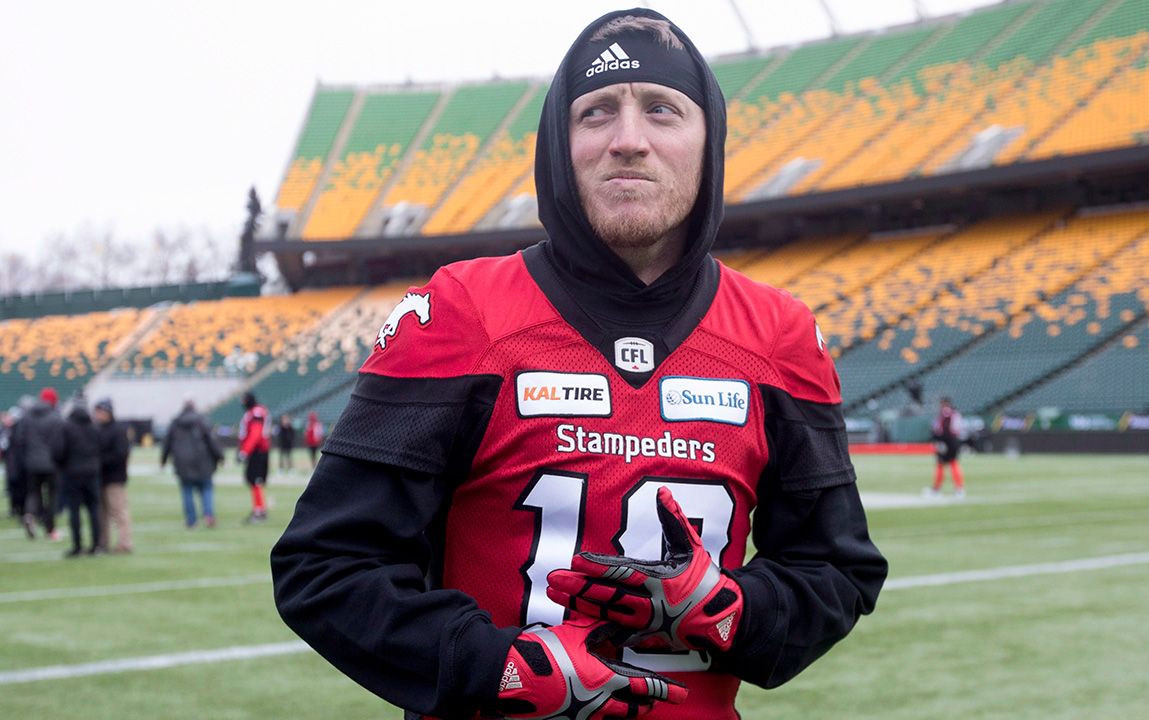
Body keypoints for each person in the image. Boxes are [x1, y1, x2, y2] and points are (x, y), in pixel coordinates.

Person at [272, 10, 887, 720]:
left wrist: (733, 612)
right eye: (596, 112)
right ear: (558, 147)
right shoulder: (460, 311)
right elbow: (327, 566)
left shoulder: (779, 334)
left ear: (709, 142)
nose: (628, 139)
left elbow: (837, 570)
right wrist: (497, 668)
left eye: (661, 109)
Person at [160, 398, 223, 528]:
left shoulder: (176, 422)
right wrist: (220, 456)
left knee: (187, 490)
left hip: (183, 462)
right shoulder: (202, 421)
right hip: (203, 461)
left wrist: (163, 459)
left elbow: (167, 442)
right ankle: (208, 514)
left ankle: (191, 521)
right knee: (206, 488)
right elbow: (212, 441)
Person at [14, 387, 66, 541]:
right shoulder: (55, 418)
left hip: (32, 462)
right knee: (52, 495)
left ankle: (29, 515)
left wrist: (25, 459)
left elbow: (19, 440)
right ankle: (50, 529)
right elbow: (60, 442)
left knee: (33, 493)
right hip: (52, 463)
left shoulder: (27, 417)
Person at [60, 396, 104, 557]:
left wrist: (63, 465)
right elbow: (101, 447)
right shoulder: (94, 426)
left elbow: (59, 450)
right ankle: (96, 545)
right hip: (92, 472)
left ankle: (77, 546)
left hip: (72, 473)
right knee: (93, 509)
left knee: (74, 510)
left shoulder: (67, 427)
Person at [94, 398, 133, 553]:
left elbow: (121, 454)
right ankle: (103, 542)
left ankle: (124, 543)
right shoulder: (96, 429)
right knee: (101, 513)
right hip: (100, 477)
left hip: (115, 477)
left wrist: (100, 461)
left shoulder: (118, 430)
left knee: (118, 511)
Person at [238, 392, 271, 523]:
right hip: (257, 450)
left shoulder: (256, 412)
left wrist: (244, 451)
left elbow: (255, 434)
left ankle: (259, 510)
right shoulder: (254, 411)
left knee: (256, 480)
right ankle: (260, 508)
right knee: (254, 480)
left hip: (258, 451)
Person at [926, 397, 965, 499]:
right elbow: (958, 429)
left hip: (945, 441)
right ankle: (959, 489)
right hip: (953, 441)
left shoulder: (943, 415)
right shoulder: (956, 414)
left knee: (941, 465)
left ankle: (937, 489)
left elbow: (938, 429)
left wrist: (939, 440)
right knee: (953, 464)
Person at [2, 406, 26, 519]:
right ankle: (18, 509)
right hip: (17, 463)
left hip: (14, 463)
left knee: (15, 488)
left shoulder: (11, 431)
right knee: (17, 488)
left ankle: (17, 509)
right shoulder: (10, 430)